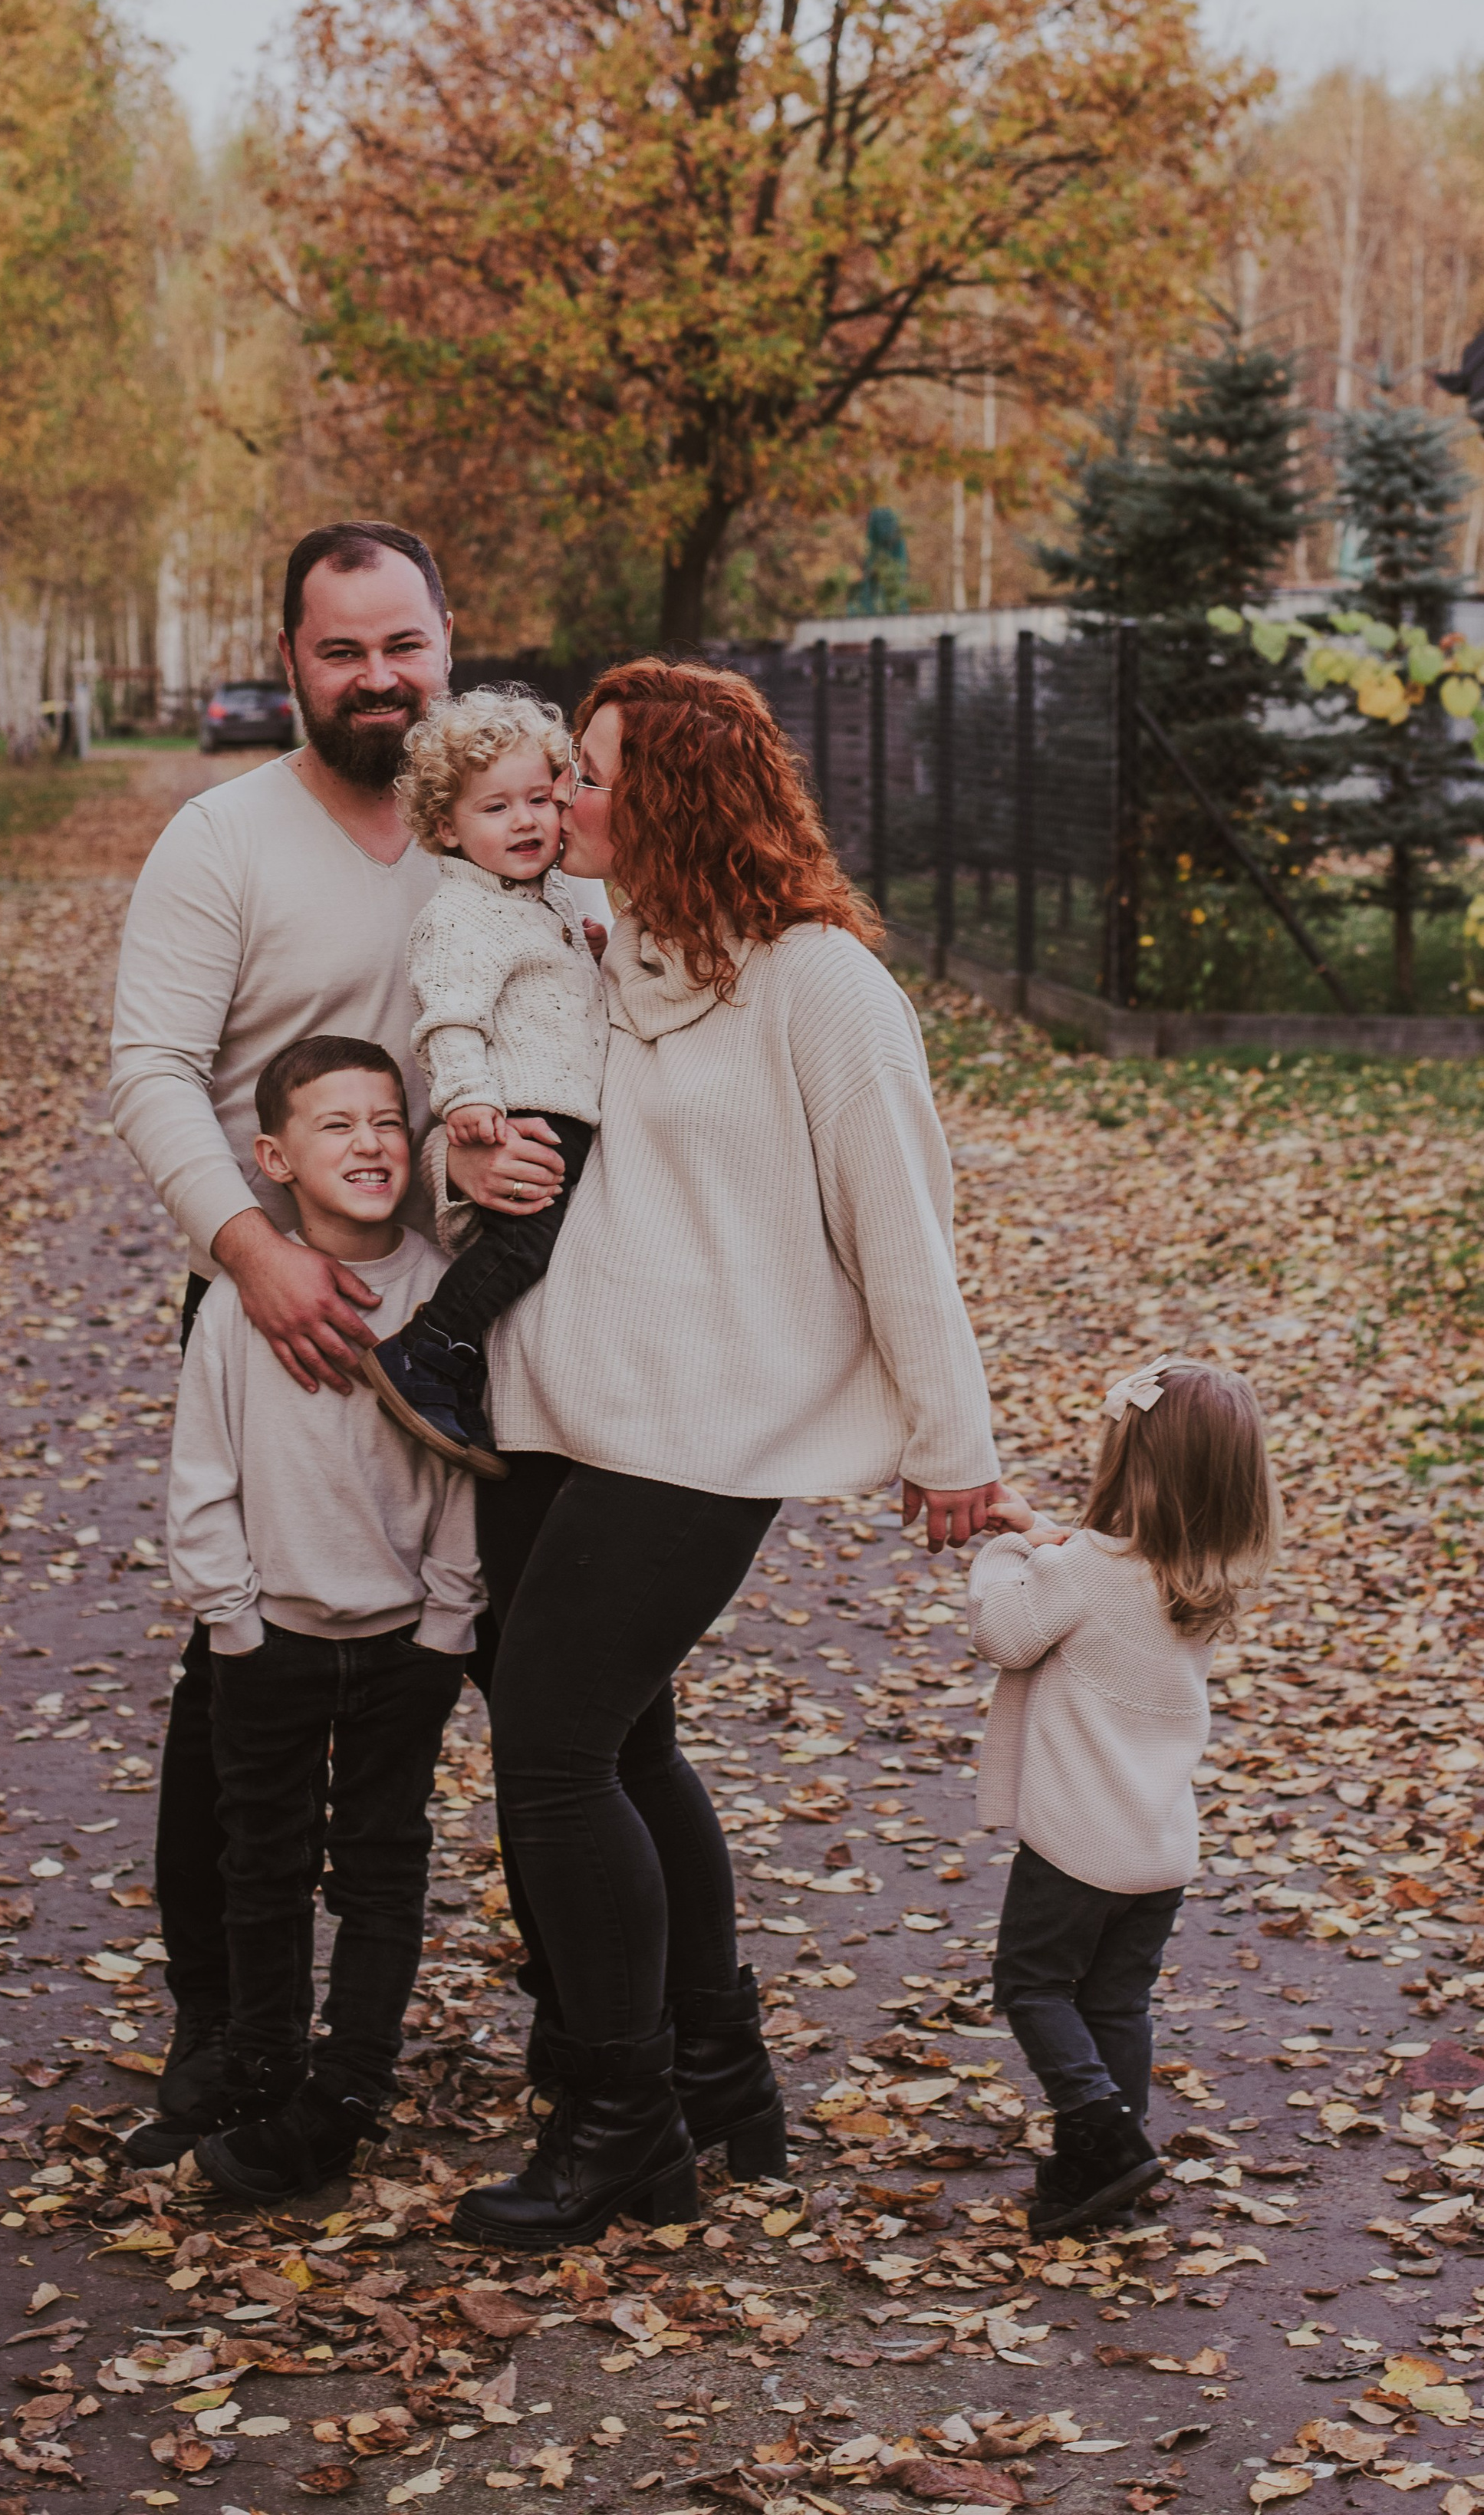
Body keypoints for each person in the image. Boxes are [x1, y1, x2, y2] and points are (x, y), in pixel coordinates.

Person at [442, 658, 1002, 2252]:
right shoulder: (603, 953)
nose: (566, 799)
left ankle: (620, 2121)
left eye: (597, 772)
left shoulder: (817, 983)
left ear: (677, 792)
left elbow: (901, 1217)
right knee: (617, 1748)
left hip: (700, 1435)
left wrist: (950, 1438)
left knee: (548, 1753)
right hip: (552, 1416)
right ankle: (716, 2078)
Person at [109, 520, 569, 2168]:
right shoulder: (220, 841)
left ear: (449, 643)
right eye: (339, 650)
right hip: (276, 1300)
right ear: (290, 659)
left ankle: (602, 2036)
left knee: (524, 1663)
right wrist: (252, 1255)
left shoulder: (510, 829)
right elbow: (151, 1069)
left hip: (482, 1323)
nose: (376, 678)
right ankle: (225, 2029)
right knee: (240, 1679)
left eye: (402, 646)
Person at [161, 1035, 481, 2196]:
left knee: (384, 1862)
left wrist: (449, 1624)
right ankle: (260, 2064)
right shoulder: (243, 1308)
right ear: (273, 1156)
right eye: (335, 1123)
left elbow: (461, 1472)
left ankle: (350, 2078)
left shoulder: (446, 1288)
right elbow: (202, 1477)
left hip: (405, 1643)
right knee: (263, 1861)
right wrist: (233, 1620)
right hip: (273, 1639)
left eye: (387, 1119)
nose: (368, 1141)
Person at [967, 1355, 1282, 2238]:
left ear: (1127, 1460)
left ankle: (1102, 2134)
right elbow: (1094, 1579)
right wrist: (1045, 1535)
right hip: (1156, 1842)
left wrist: (1003, 1550)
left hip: (1077, 1841)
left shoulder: (1085, 1570)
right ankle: (1095, 2174)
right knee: (1114, 2003)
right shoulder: (1201, 1571)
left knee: (1032, 1989)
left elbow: (1005, 1632)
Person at [364, 686, 609, 1477]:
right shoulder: (459, 914)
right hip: (523, 1106)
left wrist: (594, 955)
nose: (527, 821)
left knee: (547, 1245)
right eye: (497, 808)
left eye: (540, 798)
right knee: (526, 1241)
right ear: (446, 827)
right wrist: (467, 1097)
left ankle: (465, 1363)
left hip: (568, 1101)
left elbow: (550, 991)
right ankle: (427, 1354)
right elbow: (449, 1017)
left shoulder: (554, 893)